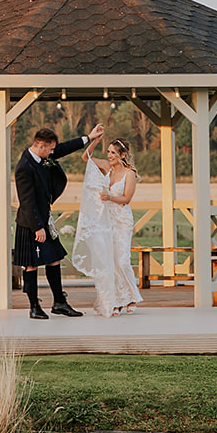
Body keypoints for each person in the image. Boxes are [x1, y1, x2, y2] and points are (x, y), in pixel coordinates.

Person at [14, 123, 104, 318]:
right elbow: (27, 201)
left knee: (55, 259)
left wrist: (88, 137)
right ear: (42, 146)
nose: (54, 152)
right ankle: (34, 307)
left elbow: (63, 148)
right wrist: (38, 227)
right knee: (31, 265)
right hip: (31, 223)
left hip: (44, 219)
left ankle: (59, 303)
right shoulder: (25, 166)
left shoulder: (44, 156)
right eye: (51, 149)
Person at [71, 136, 144, 317]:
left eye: (113, 153)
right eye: (109, 152)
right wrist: (94, 139)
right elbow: (86, 157)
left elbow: (126, 198)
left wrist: (109, 197)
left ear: (123, 154)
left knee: (122, 259)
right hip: (105, 220)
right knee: (109, 260)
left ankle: (132, 297)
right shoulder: (107, 166)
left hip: (122, 221)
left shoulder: (130, 174)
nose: (110, 156)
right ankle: (116, 300)